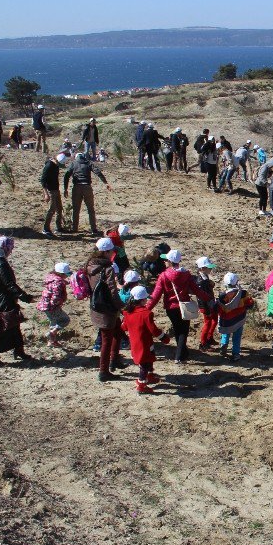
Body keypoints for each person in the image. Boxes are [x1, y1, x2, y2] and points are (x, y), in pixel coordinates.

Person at [147, 249, 212, 364]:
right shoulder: (186, 274)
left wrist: (146, 308)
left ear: (170, 261)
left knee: (178, 330)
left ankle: (183, 352)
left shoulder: (163, 276)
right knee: (183, 332)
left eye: (166, 260)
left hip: (170, 308)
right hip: (184, 306)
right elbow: (196, 290)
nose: (164, 262)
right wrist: (209, 298)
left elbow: (156, 295)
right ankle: (179, 356)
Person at [0, 238, 35, 367]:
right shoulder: (1, 264)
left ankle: (19, 350)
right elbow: (10, 285)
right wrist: (25, 297)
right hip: (3, 301)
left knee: (13, 326)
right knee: (2, 328)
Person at [85, 237, 124, 381]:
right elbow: (112, 290)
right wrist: (120, 305)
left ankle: (114, 360)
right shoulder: (107, 268)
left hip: (96, 305)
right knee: (107, 339)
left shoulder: (90, 265)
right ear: (107, 252)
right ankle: (104, 371)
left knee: (117, 331)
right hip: (108, 307)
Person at [122, 285, 172, 395]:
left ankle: (149, 376)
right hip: (144, 343)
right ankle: (141, 385)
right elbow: (154, 330)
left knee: (148, 359)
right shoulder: (146, 314)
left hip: (135, 343)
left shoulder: (128, 312)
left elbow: (124, 327)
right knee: (144, 364)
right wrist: (164, 338)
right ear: (143, 300)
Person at [63, 152, 111, 235]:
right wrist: (105, 182)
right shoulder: (88, 163)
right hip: (87, 187)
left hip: (77, 187)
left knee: (76, 209)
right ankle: (93, 229)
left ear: (76, 157)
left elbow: (67, 175)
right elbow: (98, 172)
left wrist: (65, 188)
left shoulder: (73, 164)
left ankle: (75, 228)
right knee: (90, 209)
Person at [216, 273, 255, 360]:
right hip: (239, 319)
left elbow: (218, 309)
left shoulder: (222, 296)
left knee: (225, 333)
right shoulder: (243, 293)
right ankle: (236, 354)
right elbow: (250, 304)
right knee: (237, 337)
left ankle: (223, 346)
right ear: (236, 282)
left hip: (226, 320)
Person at [36, 261, 72, 348]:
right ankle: (51, 333)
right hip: (52, 306)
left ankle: (52, 341)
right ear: (61, 273)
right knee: (65, 320)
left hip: (44, 304)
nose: (67, 276)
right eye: (66, 274)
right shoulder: (58, 282)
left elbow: (59, 282)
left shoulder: (51, 278)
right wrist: (56, 304)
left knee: (53, 322)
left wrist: (66, 282)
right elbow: (56, 296)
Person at [39, 152, 68, 235]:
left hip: (56, 189)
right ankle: (46, 229)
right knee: (51, 210)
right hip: (50, 191)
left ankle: (58, 228)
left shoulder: (56, 166)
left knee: (59, 209)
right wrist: (46, 194)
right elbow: (43, 181)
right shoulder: (48, 166)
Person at [194, 256, 219, 351]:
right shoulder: (201, 281)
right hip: (206, 305)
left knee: (214, 320)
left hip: (210, 303)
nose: (211, 268)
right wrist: (205, 308)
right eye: (208, 267)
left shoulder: (204, 278)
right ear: (202, 268)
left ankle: (209, 338)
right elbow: (201, 297)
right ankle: (203, 343)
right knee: (208, 322)